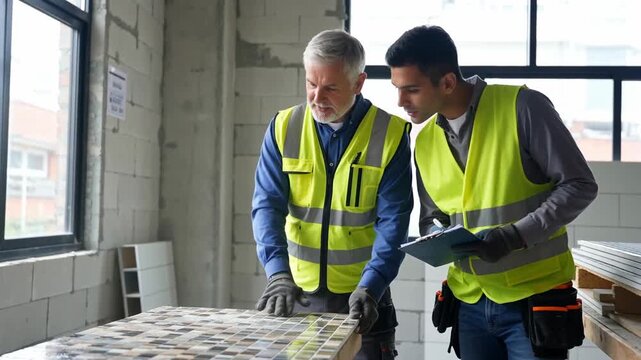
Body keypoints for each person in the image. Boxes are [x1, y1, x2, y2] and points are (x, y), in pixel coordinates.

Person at [385, 25, 598, 360]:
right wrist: (438, 238)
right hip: (469, 303)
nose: (400, 102)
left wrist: (514, 236)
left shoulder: (523, 107)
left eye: (411, 89)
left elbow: (580, 185)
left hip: (533, 300)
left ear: (448, 82)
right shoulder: (423, 143)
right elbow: (430, 219)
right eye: (396, 88)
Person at [252, 29, 413, 359]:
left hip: (364, 302)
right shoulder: (284, 127)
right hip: (296, 297)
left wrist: (373, 284)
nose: (316, 97)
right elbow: (266, 206)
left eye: (330, 87)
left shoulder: (390, 134)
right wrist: (278, 273)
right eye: (311, 83)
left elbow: (393, 223)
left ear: (358, 83)